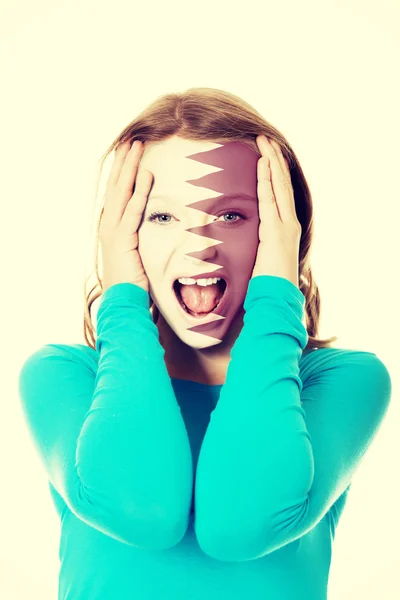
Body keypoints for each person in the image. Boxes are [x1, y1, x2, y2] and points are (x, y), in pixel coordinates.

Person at [18, 87, 392, 600]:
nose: (199, 245)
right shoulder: (62, 376)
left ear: (281, 235)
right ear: (122, 236)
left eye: (232, 216)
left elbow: (243, 524)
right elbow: (140, 510)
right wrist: (122, 301)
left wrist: (276, 298)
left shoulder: (341, 381)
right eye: (162, 216)